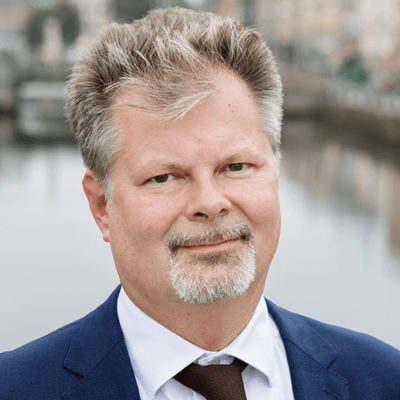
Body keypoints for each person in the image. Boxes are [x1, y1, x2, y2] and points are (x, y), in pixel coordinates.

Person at [1, 7, 399, 399]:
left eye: (236, 166)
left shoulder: (385, 380)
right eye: (164, 177)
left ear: (275, 175)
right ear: (102, 206)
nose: (210, 202)